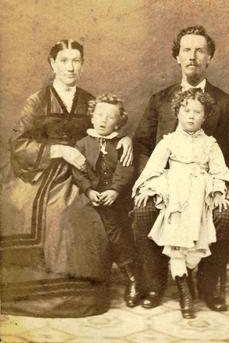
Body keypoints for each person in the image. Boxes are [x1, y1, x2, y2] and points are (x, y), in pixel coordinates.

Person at [0, 40, 132, 318]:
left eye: (76, 61)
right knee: (56, 211)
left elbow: (109, 127)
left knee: (86, 212)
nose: (70, 67)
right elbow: (19, 142)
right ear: (52, 64)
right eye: (64, 61)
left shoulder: (90, 100)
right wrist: (58, 150)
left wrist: (127, 139)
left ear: (82, 65)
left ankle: (85, 292)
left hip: (85, 168)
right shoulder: (37, 100)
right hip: (43, 168)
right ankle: (48, 291)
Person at [133, 25, 229, 311]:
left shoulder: (226, 103)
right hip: (166, 183)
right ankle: (155, 285)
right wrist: (150, 184)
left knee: (227, 216)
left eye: (200, 50)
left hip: (208, 186)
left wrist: (226, 187)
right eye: (186, 50)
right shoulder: (160, 100)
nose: (193, 56)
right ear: (177, 57)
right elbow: (142, 145)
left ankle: (208, 286)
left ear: (209, 57)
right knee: (143, 210)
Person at [132, 88, 229, 318]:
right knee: (176, 243)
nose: (191, 116)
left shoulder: (210, 144)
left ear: (205, 116)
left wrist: (218, 190)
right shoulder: (168, 141)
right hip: (176, 195)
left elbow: (220, 171)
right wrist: (148, 188)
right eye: (186, 110)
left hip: (200, 193)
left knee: (195, 247)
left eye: (197, 112)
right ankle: (185, 294)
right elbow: (154, 168)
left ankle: (190, 274)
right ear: (177, 113)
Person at [72, 94, 140, 308]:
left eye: (110, 117)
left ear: (119, 121)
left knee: (115, 233)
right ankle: (90, 281)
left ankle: (132, 279)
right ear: (91, 117)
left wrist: (115, 190)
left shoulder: (121, 143)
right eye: (99, 115)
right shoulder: (82, 143)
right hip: (90, 197)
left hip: (115, 199)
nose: (103, 120)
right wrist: (89, 190)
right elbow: (78, 171)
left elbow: (126, 169)